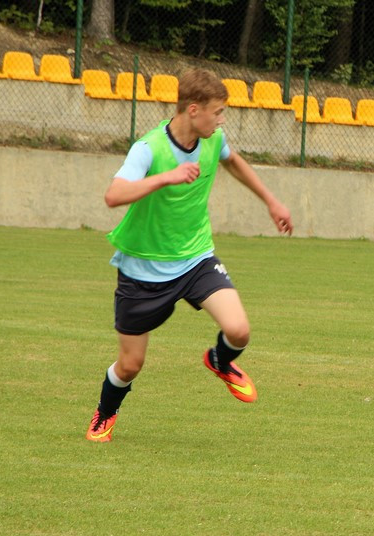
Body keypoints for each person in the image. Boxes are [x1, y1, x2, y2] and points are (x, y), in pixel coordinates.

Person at [86, 68, 293, 442]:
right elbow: (113, 195)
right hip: (142, 270)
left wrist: (271, 201)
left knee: (239, 330)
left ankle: (219, 360)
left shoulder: (213, 140)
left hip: (196, 259)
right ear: (193, 109)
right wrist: (166, 176)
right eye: (217, 112)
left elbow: (234, 162)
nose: (222, 119)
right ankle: (106, 411)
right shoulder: (149, 148)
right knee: (130, 365)